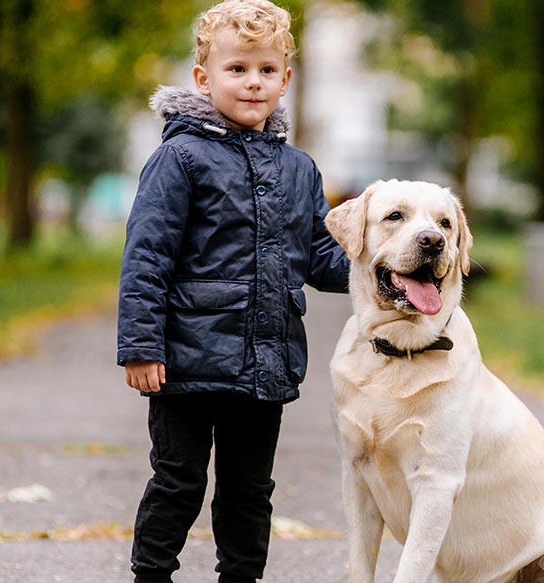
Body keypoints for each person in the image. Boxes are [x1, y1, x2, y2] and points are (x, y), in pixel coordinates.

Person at [116, 1, 349, 581]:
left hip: (265, 362)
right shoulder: (179, 158)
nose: (253, 82)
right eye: (237, 68)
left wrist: (386, 271)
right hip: (185, 363)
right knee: (178, 480)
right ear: (204, 78)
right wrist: (141, 346)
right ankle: (151, 575)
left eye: (267, 70)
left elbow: (319, 257)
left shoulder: (299, 169)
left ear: (285, 80)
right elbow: (147, 258)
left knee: (249, 489)